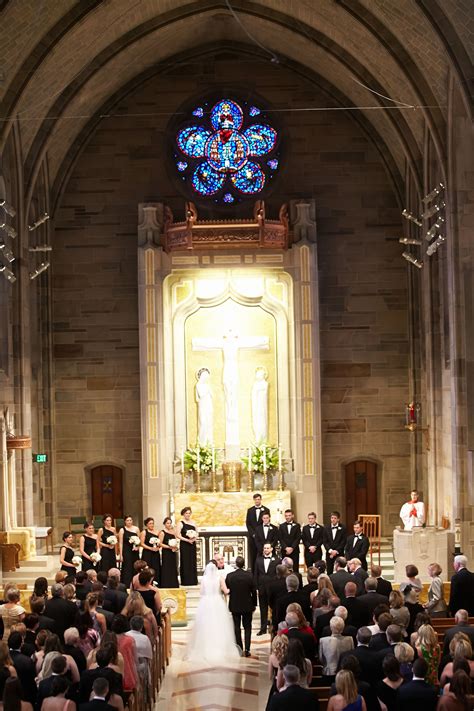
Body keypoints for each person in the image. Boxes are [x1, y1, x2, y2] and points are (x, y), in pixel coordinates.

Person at [186, 561, 239, 662]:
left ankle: (205, 646)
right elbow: (226, 591)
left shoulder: (204, 579)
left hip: (206, 602)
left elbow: (201, 592)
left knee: (206, 624)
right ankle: (219, 646)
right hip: (217, 602)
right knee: (219, 624)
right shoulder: (219, 578)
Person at [225, 556, 257, 657]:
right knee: (247, 627)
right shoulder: (250, 576)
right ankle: (247, 649)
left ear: (236, 564)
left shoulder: (230, 576)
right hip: (247, 605)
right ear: (244, 564)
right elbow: (254, 592)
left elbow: (228, 589)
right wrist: (254, 604)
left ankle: (239, 648)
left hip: (235, 605)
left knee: (236, 627)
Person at [254, 542, 280, 635]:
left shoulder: (277, 560)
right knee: (263, 609)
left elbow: (278, 575)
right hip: (262, 588)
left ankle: (274, 627)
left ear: (272, 549)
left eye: (268, 548)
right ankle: (263, 628)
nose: (266, 550)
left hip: (273, 588)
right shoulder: (258, 560)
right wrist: (256, 587)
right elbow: (256, 574)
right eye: (264, 548)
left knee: (274, 608)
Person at [319, 616, 354, 681]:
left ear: (331, 628)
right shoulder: (350, 640)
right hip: (345, 673)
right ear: (343, 628)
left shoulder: (323, 641)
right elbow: (351, 657)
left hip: (329, 672)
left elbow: (321, 658)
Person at [246, 493, 271, 571]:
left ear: (261, 500)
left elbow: (267, 522)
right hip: (252, 538)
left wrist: (259, 535)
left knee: (263, 555)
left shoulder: (266, 510)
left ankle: (263, 571)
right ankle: (253, 573)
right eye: (256, 499)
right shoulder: (250, 510)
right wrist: (253, 534)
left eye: (258, 499)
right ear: (254, 500)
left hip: (262, 539)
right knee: (253, 556)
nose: (257, 501)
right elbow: (248, 523)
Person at [177, 507, 198, 586]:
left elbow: (197, 533)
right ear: (183, 514)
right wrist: (187, 540)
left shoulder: (193, 522)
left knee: (192, 561)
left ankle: (193, 580)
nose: (188, 515)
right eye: (186, 513)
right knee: (185, 561)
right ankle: (186, 581)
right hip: (185, 544)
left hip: (192, 544)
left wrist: (194, 538)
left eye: (189, 513)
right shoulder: (180, 523)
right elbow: (178, 535)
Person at [118, 516, 140, 589]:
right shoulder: (122, 530)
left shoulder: (136, 529)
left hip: (135, 551)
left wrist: (137, 547)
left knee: (135, 566)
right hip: (126, 551)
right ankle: (127, 585)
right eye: (128, 520)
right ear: (125, 521)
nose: (129, 522)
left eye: (130, 520)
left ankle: (136, 583)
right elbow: (120, 543)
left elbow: (140, 541)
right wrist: (121, 554)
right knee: (127, 567)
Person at [158, 517, 179, 588]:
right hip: (166, 552)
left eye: (170, 523)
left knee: (173, 567)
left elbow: (176, 540)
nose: (169, 524)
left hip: (172, 552)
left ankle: (173, 583)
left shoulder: (173, 531)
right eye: (167, 523)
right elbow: (160, 543)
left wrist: (175, 547)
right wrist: (169, 547)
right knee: (166, 567)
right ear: (164, 524)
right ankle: (166, 584)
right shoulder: (162, 532)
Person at [140, 517, 161, 585]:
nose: (152, 525)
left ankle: (156, 582)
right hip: (147, 553)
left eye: (152, 523)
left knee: (156, 567)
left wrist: (158, 547)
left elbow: (160, 542)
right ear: (146, 525)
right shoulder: (144, 532)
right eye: (150, 524)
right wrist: (150, 548)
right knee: (147, 568)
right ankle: (147, 582)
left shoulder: (158, 532)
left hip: (155, 553)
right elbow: (142, 543)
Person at [268, 634, 288, 703]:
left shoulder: (272, 657)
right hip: (287, 683)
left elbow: (270, 675)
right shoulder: (289, 656)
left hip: (276, 685)